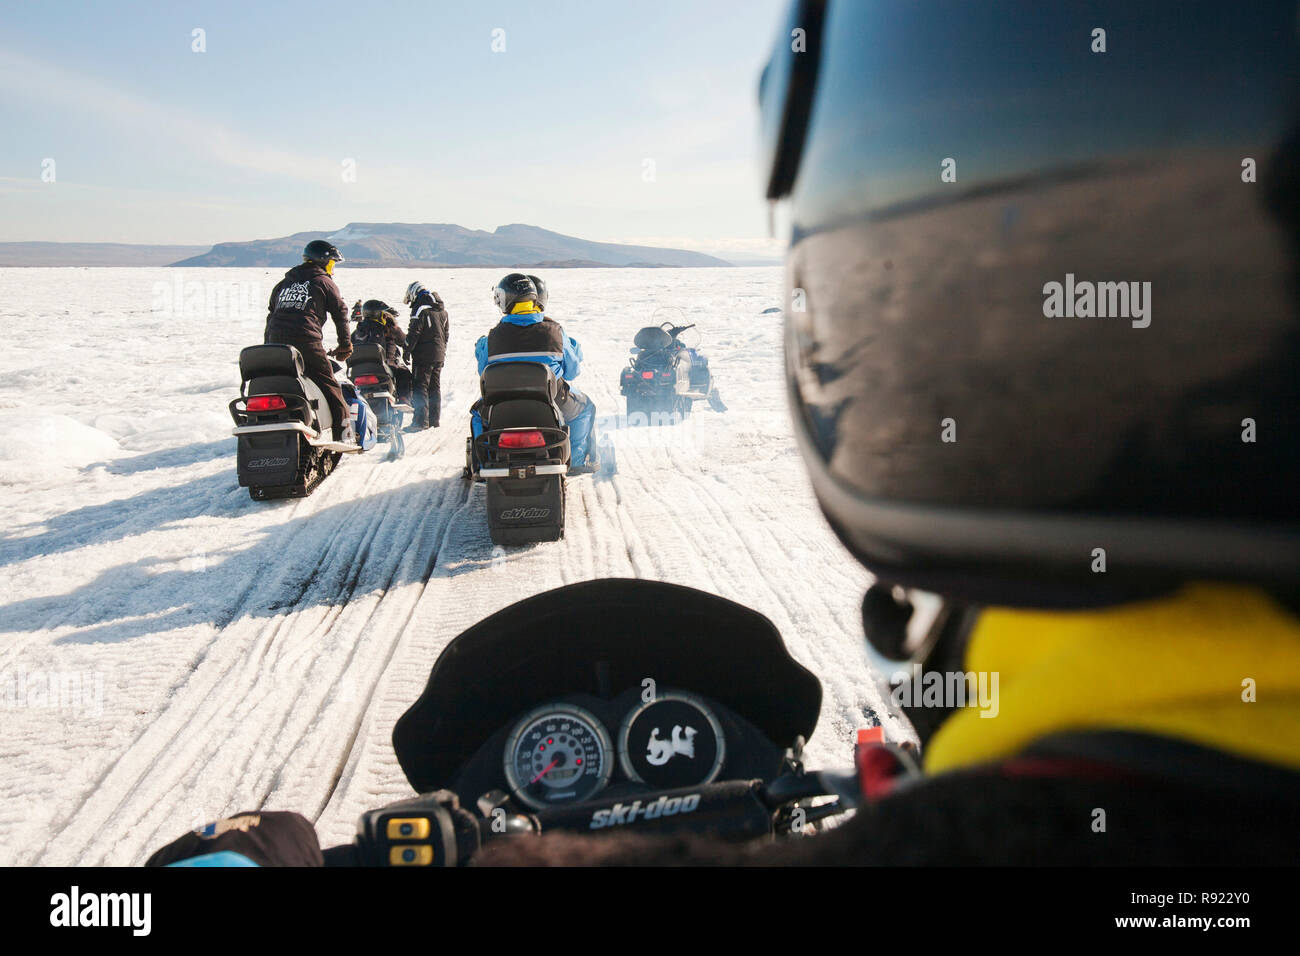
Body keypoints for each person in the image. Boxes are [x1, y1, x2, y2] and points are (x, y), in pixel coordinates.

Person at [152, 0, 1300, 867]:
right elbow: (562, 375)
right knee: (580, 417)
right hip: (490, 414)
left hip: (428, 410)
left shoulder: (480, 322)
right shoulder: (537, 327)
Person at [472, 273, 598, 472]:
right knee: (586, 408)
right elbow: (572, 371)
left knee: (477, 415)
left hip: (502, 406)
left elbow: (483, 372)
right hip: (551, 403)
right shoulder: (555, 332)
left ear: (505, 300)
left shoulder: (492, 337)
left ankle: (482, 464)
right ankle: (577, 462)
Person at [264, 240, 354, 442]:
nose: (332, 268)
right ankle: (345, 436)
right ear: (323, 262)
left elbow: (271, 315)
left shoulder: (284, 283)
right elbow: (341, 313)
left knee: (277, 382)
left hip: (276, 343)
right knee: (330, 386)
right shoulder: (324, 282)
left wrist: (268, 348)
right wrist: (345, 344)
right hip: (306, 341)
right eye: (332, 263)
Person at [403, 281, 449, 430]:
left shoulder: (420, 308)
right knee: (435, 387)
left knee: (420, 386)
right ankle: (434, 420)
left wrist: (407, 350)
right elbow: (446, 334)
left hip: (423, 355)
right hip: (439, 353)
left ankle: (420, 422)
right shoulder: (442, 310)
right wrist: (442, 350)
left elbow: (414, 332)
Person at [351, 299, 411, 401]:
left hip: (358, 370)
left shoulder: (356, 332)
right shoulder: (388, 328)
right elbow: (404, 340)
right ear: (378, 314)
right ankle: (403, 398)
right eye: (384, 314)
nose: (385, 316)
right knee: (404, 373)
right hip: (382, 367)